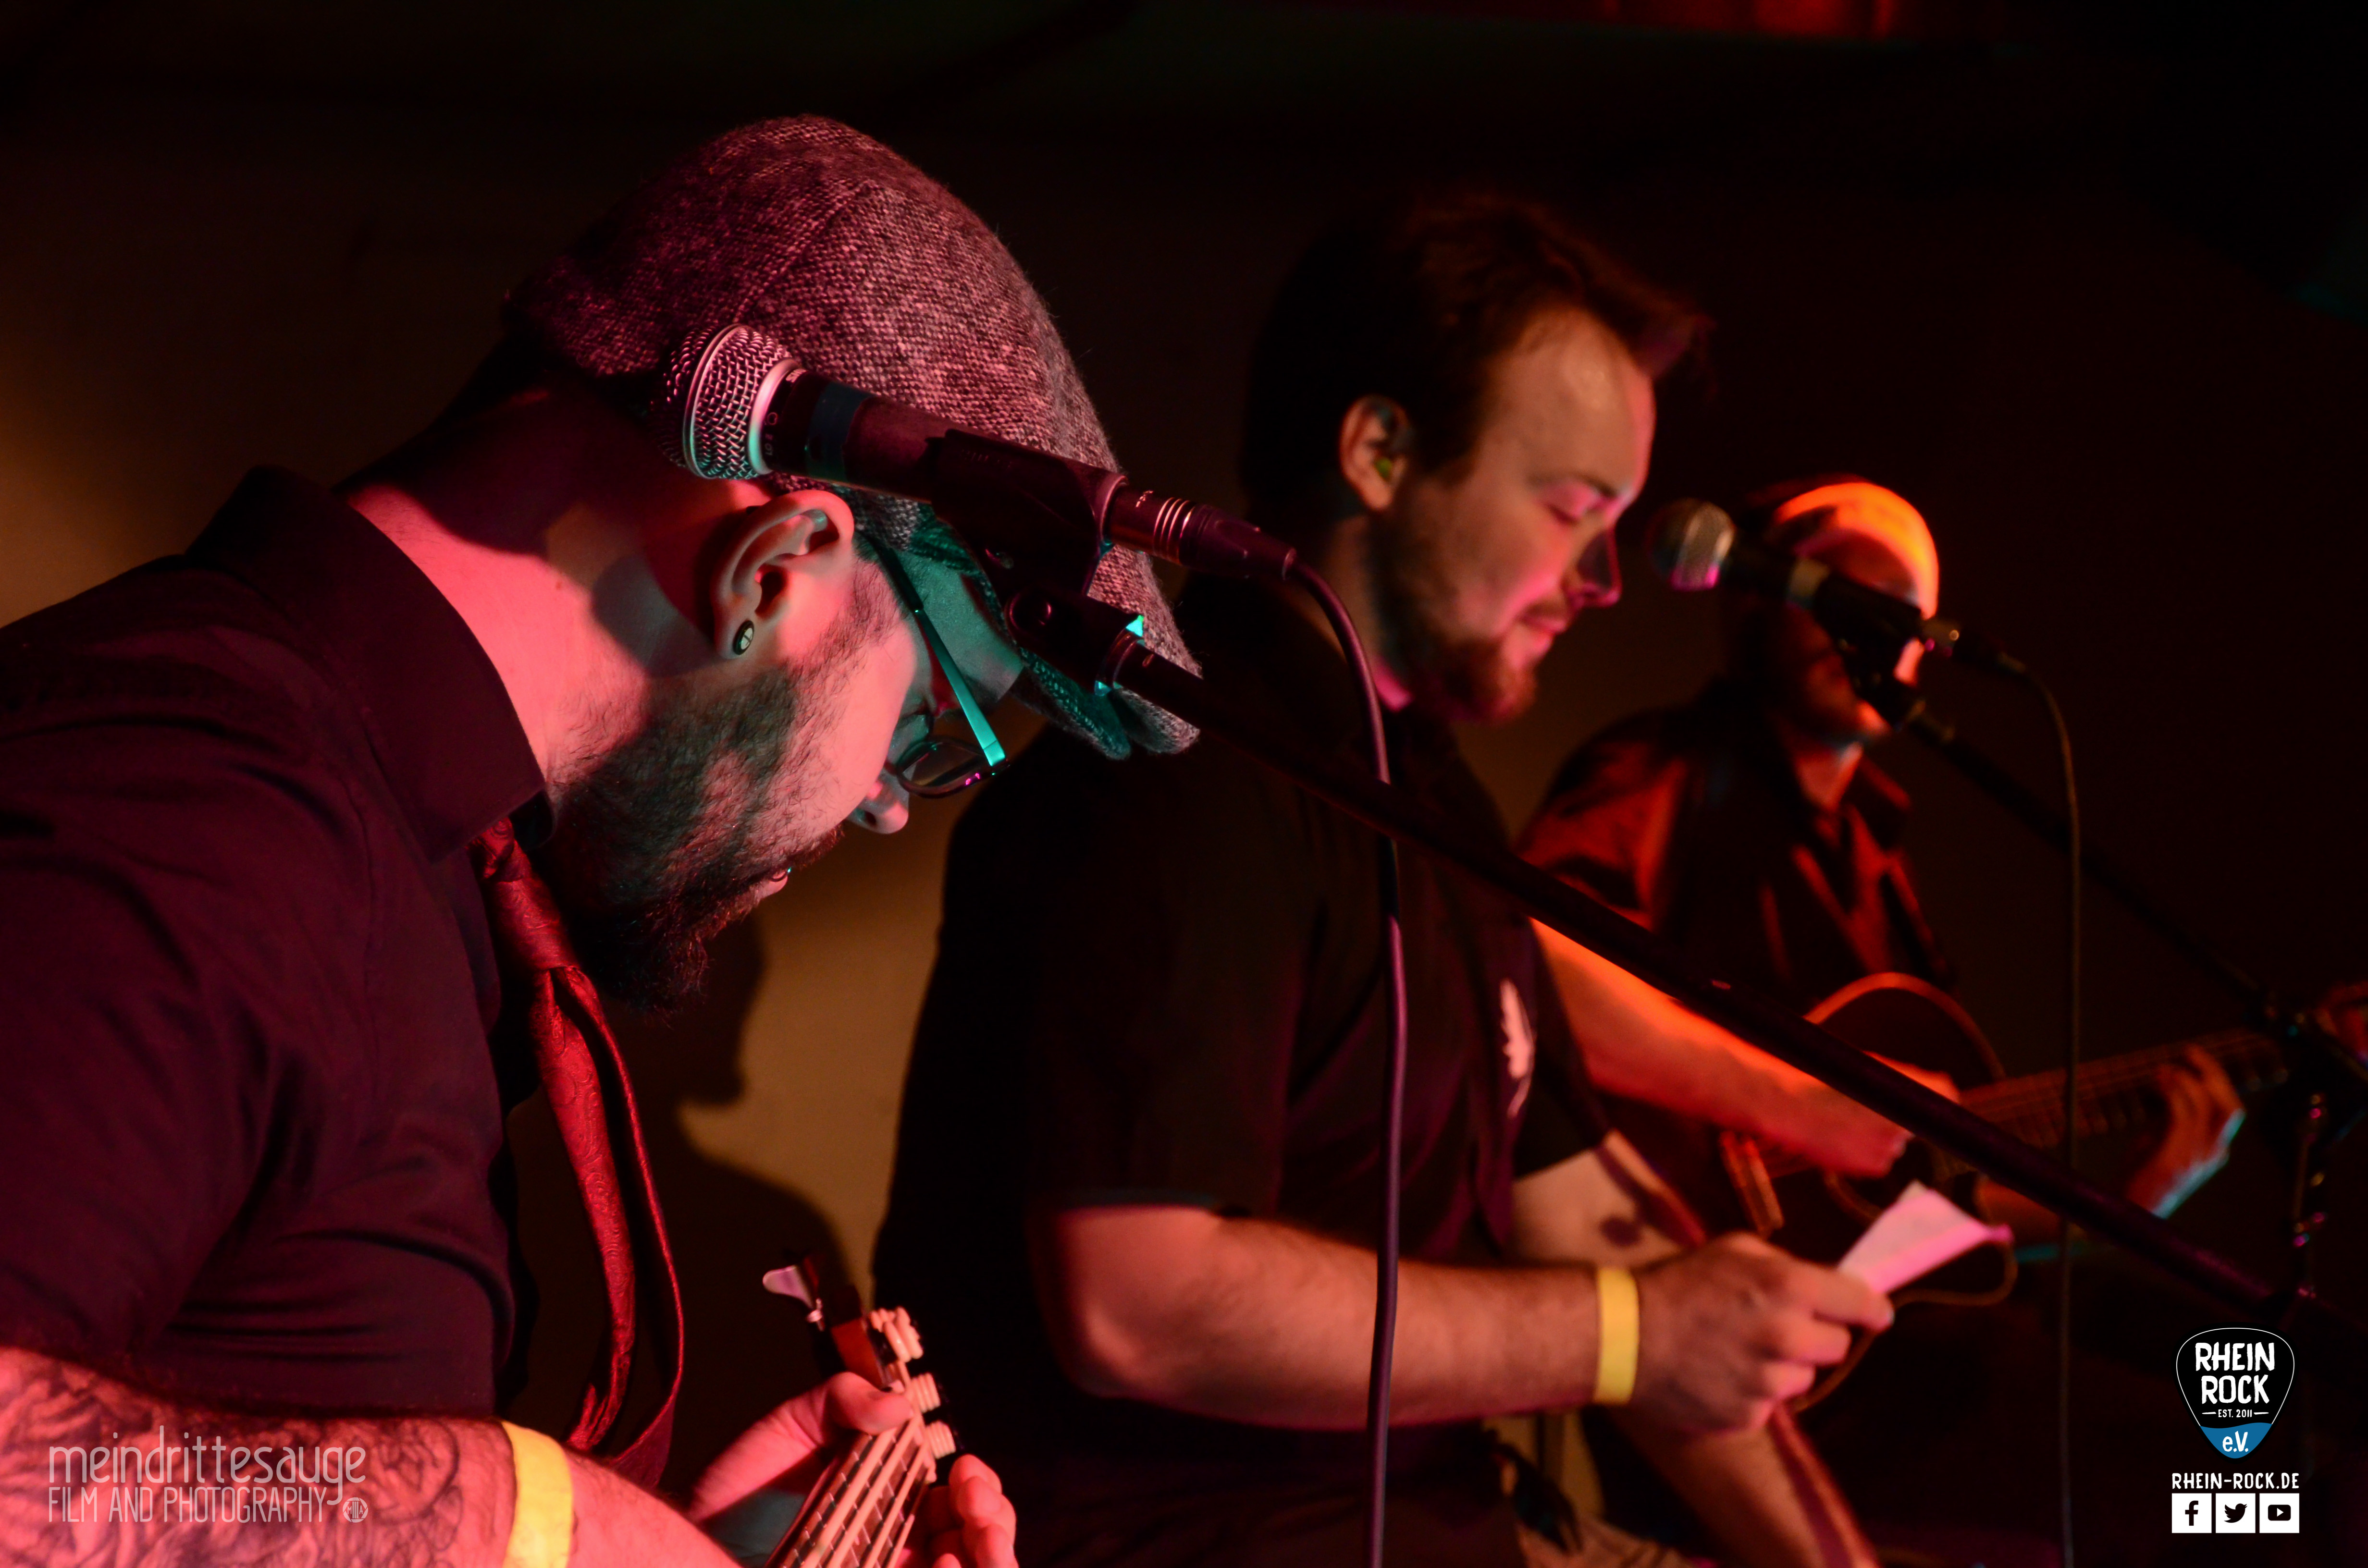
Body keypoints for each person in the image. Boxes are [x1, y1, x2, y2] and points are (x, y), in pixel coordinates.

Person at [0, 117, 1194, 1568]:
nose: (891, 806)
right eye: (929, 730)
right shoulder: (195, 812)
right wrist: (530, 1522)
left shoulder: (398, 866)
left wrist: (660, 1549)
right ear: (778, 569)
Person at [874, 191, 1897, 1568]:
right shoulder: (1176, 773)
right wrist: (1631, 1335)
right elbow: (1137, 1303)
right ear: (1380, 452)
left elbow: (1602, 1228)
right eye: (1572, 508)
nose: (1603, 578)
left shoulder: (1428, 797)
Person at [1519, 477, 2247, 1564]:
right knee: (2208, 1477)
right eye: (1837, 593)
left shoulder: (1882, 868)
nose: (1867, 627)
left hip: (1900, 1325)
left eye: (1898, 611)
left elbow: (1930, 1203)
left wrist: (2132, 1202)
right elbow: (1525, 972)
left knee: (2266, 1396)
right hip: (1755, 1341)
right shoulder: (1664, 773)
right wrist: (1786, 1107)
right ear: (1758, 608)